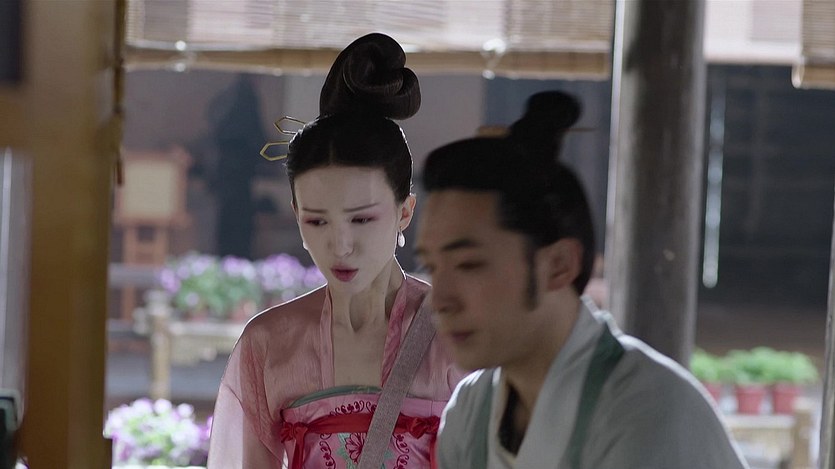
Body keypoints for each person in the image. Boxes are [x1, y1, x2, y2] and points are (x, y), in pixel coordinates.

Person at [414, 91, 749, 469]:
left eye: (469, 264)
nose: (440, 300)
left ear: (559, 265)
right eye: (432, 266)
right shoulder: (471, 412)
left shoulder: (649, 413)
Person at [208, 33, 463, 469]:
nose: (340, 246)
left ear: (405, 211)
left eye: (361, 220)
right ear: (295, 214)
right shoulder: (269, 344)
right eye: (317, 221)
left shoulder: (457, 335)